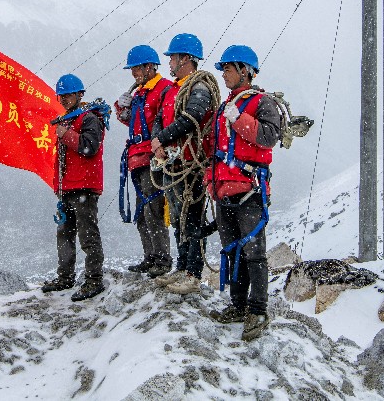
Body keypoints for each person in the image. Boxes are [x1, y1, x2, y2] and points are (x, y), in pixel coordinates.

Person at [205, 45, 281, 341]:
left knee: (253, 253)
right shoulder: (226, 107)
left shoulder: (263, 103)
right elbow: (214, 150)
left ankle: (258, 309)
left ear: (244, 70)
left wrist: (239, 120)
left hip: (249, 189)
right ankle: (238, 306)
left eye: (228, 69)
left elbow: (268, 137)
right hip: (224, 189)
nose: (223, 74)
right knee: (233, 249)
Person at [150, 33, 219, 295]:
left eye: (173, 58)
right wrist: (160, 143)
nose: (169, 62)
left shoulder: (199, 87)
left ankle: (193, 272)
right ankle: (181, 267)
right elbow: (160, 118)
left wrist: (161, 140)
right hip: (174, 162)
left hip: (193, 162)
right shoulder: (172, 90)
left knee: (192, 217)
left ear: (186, 59)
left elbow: (191, 118)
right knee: (178, 218)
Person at [41, 73, 107, 301]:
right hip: (68, 187)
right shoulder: (69, 119)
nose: (64, 99)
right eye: (62, 95)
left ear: (80, 95)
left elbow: (89, 147)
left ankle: (94, 279)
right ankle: (65, 277)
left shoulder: (89, 119)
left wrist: (66, 134)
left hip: (84, 187)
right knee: (65, 234)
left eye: (69, 95)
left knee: (87, 234)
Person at [114, 45, 175, 278]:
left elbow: (164, 123)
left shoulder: (163, 90)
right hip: (137, 157)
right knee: (142, 210)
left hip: (152, 157)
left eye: (137, 68)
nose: (133, 74)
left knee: (154, 209)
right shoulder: (140, 92)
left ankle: (162, 259)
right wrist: (122, 109)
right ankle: (150, 257)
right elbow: (133, 123)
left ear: (150, 67)